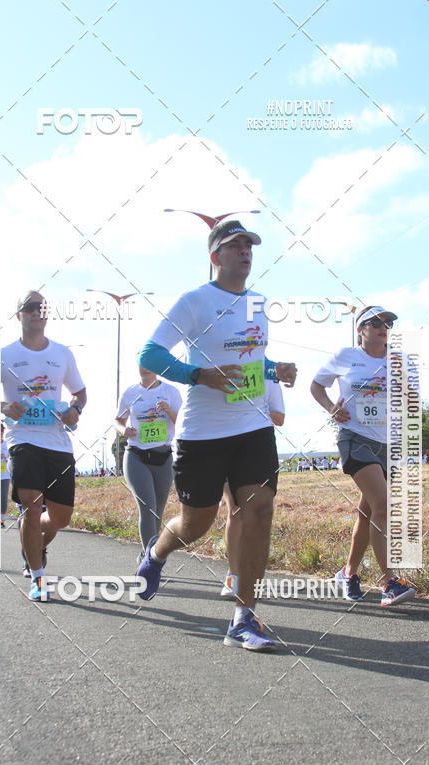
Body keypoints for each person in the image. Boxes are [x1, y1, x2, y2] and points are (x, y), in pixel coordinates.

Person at [136, 220, 297, 652]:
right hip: (203, 433)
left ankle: (245, 618)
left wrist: (273, 369)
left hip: (253, 425)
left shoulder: (259, 304)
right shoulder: (195, 301)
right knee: (196, 524)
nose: (245, 251)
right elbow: (150, 354)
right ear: (215, 257)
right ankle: (155, 554)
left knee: (259, 509)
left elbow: (249, 360)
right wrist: (198, 375)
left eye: (249, 245)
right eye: (235, 245)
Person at [310, 305, 415, 608]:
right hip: (356, 439)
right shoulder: (347, 356)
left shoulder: (398, 361)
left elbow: (409, 397)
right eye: (375, 323)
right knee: (382, 504)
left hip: (387, 445)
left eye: (387, 324)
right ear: (360, 329)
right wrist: (331, 408)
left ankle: (348, 573)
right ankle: (390, 582)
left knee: (368, 512)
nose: (383, 328)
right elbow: (316, 386)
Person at [1, 290, 86, 602]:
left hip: (58, 442)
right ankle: (38, 577)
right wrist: (3, 406)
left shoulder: (62, 353)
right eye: (30, 307)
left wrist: (76, 409)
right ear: (19, 315)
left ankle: (36, 543)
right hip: (23, 440)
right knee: (31, 506)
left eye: (43, 308)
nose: (38, 311)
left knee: (61, 517)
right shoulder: (4, 355)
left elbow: (80, 393)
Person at [221, 378, 285, 597]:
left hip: (259, 446)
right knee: (235, 511)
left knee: (258, 512)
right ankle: (233, 575)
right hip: (226, 443)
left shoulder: (270, 372)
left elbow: (279, 418)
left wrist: (253, 407)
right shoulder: (224, 367)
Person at [115, 366, 182, 561]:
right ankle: (151, 562)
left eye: (149, 364)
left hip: (163, 456)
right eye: (141, 365)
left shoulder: (171, 392)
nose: (145, 369)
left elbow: (183, 422)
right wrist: (123, 430)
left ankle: (148, 552)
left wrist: (169, 410)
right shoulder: (130, 393)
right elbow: (117, 420)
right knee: (148, 507)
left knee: (157, 512)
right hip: (136, 455)